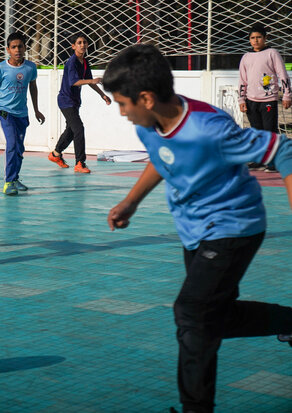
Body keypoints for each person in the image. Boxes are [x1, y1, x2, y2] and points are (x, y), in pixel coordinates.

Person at [102, 44, 292, 413]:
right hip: (194, 231)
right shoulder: (149, 123)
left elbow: (282, 150)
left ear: (146, 97)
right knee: (213, 319)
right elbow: (162, 156)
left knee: (190, 313)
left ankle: (195, 408)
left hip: (234, 226)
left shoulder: (209, 129)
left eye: (124, 104)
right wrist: (131, 201)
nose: (122, 112)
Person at [0, 32, 45, 195]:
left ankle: (15, 178)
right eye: (14, 47)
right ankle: (8, 182)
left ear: (25, 48)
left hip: (21, 113)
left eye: (20, 46)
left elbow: (33, 88)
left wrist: (36, 110)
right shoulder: (1, 68)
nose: (17, 50)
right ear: (8, 49)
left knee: (19, 147)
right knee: (12, 143)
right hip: (4, 111)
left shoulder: (30, 67)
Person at [48, 33, 111, 173]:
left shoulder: (85, 62)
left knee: (71, 130)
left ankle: (55, 154)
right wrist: (91, 81)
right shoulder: (71, 62)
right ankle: (80, 163)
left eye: (84, 42)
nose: (82, 45)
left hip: (74, 101)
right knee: (79, 129)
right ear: (73, 46)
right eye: (79, 43)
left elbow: (89, 81)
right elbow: (75, 82)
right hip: (66, 101)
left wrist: (102, 95)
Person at [238, 23, 291, 172]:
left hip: (268, 100)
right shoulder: (246, 57)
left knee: (270, 131)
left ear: (265, 38)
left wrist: (287, 95)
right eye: (252, 38)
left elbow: (283, 75)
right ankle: (259, 160)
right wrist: (241, 99)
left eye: (259, 37)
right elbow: (242, 80)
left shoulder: (272, 53)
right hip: (251, 100)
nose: (255, 40)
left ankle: (273, 161)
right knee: (256, 132)